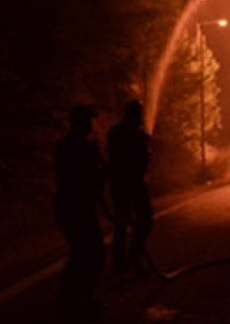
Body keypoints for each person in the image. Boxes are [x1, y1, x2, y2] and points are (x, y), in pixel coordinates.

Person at [53, 106, 107, 314]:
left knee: (83, 252)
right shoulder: (77, 147)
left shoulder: (70, 145)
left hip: (72, 205)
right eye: (88, 121)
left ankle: (72, 298)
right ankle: (78, 300)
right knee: (91, 253)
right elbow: (88, 180)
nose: (91, 125)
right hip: (75, 206)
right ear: (80, 122)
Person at [107, 99, 153, 274]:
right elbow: (142, 164)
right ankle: (132, 261)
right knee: (144, 223)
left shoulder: (115, 133)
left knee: (122, 225)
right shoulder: (136, 136)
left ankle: (122, 263)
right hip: (133, 185)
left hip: (119, 185)